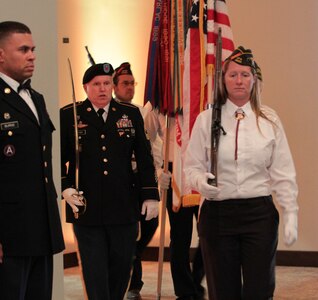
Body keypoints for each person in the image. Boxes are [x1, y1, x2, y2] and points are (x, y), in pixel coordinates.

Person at [184, 46, 299, 300]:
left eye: (245, 75)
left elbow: (283, 171)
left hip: (258, 214)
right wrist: (200, 182)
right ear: (223, 80)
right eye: (233, 74)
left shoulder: (269, 120)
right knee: (223, 291)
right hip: (218, 214)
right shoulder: (206, 120)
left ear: (254, 79)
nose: (239, 80)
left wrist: (290, 211)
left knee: (260, 290)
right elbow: (190, 167)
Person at [60, 62, 160, 300]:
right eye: (96, 84)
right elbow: (55, 159)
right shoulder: (69, 115)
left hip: (123, 205)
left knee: (122, 265)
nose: (102, 89)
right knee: (94, 270)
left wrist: (150, 194)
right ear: (86, 87)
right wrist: (65, 187)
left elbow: (145, 158)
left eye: (106, 83)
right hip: (86, 207)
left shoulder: (130, 114)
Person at [0, 21, 65, 299]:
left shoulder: (35, 98)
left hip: (40, 226)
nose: (32, 56)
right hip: (9, 232)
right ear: (1, 54)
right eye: (23, 49)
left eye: (33, 49)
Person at [144, 110, 205, 300]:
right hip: (174, 173)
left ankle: (196, 281)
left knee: (210, 234)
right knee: (180, 237)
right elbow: (144, 140)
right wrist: (157, 170)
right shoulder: (159, 102)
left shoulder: (203, 95)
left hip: (203, 171)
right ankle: (185, 291)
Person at [113, 62, 159, 300]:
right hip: (123, 180)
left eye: (132, 83)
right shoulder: (110, 113)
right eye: (125, 83)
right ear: (114, 87)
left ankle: (132, 258)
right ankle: (133, 284)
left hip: (143, 179)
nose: (130, 88)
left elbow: (152, 147)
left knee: (150, 225)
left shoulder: (143, 112)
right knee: (130, 231)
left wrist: (158, 173)